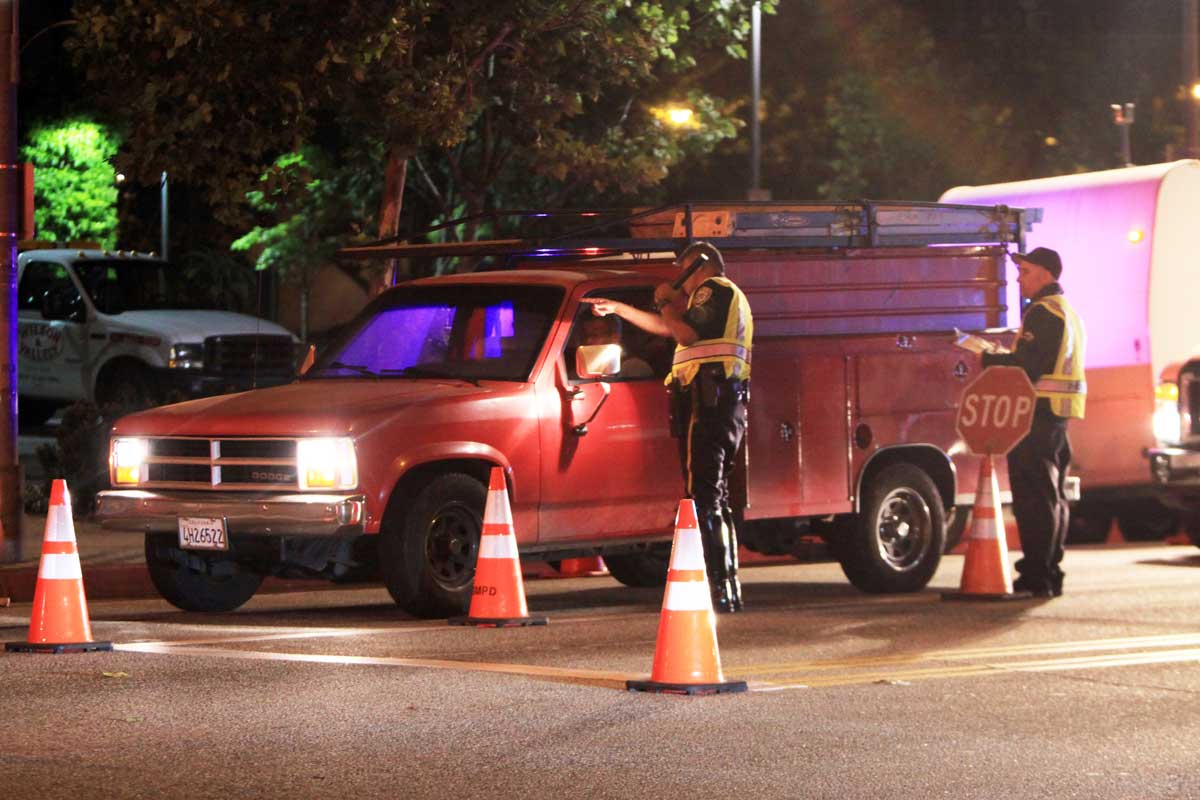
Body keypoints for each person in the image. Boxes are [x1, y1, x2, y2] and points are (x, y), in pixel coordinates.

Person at [582, 242, 753, 612]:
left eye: (682, 271)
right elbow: (668, 328)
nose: (680, 281)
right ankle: (724, 589)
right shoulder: (716, 300)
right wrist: (621, 310)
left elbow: (685, 334)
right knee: (713, 496)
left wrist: (665, 300)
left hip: (711, 402)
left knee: (705, 497)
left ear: (699, 268)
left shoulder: (715, 290)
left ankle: (715, 589)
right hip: (716, 401)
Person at [981, 246, 1086, 598]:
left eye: (1025, 272)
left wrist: (989, 358)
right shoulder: (1064, 311)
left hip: (1037, 415)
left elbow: (1028, 366)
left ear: (1044, 274)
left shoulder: (1045, 313)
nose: (1018, 278)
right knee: (1052, 496)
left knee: (1035, 498)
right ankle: (1048, 572)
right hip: (1055, 414)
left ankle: (1038, 575)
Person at [573, 314, 654, 379]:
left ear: (614, 337)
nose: (588, 341)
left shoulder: (634, 367)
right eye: (586, 336)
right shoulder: (581, 372)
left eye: (594, 335)